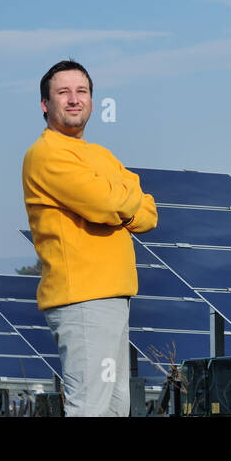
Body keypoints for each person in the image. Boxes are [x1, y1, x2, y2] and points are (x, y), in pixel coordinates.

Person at [21, 59, 157, 416]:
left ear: (92, 102)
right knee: (89, 408)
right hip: (82, 297)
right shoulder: (47, 154)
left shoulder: (99, 155)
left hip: (112, 296)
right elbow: (104, 203)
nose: (74, 99)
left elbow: (149, 214)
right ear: (45, 105)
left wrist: (120, 201)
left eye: (82, 91)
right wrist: (122, 198)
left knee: (114, 408)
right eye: (63, 92)